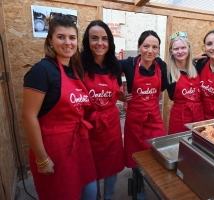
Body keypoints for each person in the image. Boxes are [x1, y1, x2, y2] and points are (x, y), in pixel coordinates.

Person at [22, 15, 97, 200]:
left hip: (79, 146)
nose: (67, 42)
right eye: (61, 37)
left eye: (72, 37)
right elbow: (28, 117)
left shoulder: (75, 69)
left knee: (90, 192)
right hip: (55, 151)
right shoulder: (41, 71)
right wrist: (42, 159)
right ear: (50, 40)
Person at [81, 20, 126, 200]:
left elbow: (117, 92)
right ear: (87, 41)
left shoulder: (116, 66)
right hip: (88, 126)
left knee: (111, 165)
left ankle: (108, 196)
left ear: (109, 42)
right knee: (89, 167)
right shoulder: (78, 65)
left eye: (104, 39)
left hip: (111, 125)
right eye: (94, 38)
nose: (100, 43)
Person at [120, 30, 168, 167]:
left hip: (154, 119)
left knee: (157, 151)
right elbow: (108, 70)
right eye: (146, 46)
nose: (150, 51)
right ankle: (136, 180)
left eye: (155, 47)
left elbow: (163, 86)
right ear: (139, 47)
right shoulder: (129, 64)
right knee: (135, 155)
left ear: (158, 49)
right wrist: (119, 94)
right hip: (134, 120)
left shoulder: (161, 65)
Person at [166, 31, 204, 134]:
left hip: (198, 115)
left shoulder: (197, 67)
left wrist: (194, 58)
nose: (180, 51)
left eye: (183, 48)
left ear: (189, 48)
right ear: (171, 51)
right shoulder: (167, 72)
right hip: (179, 118)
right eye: (176, 49)